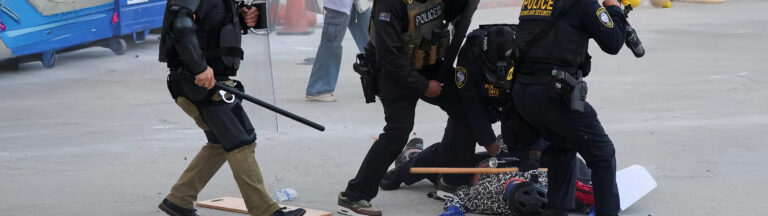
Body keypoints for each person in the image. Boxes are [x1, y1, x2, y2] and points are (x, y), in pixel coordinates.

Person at [157, 1, 305, 216]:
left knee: (220, 141)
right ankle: (266, 211)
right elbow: (181, 24)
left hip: (208, 80)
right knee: (241, 140)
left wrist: (244, 14)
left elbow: (211, 23)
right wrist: (199, 68)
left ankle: (179, 200)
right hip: (197, 82)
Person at [338, 0, 478, 215]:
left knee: (466, 108)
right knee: (397, 132)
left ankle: (451, 179)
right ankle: (354, 196)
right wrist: (423, 86)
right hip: (393, 73)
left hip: (428, 64)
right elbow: (388, 57)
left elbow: (453, 12)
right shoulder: (390, 4)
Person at [377, 25, 545, 200]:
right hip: (478, 100)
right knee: (457, 164)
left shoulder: (528, 53)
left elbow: (536, 107)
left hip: (514, 100)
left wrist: (534, 151)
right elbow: (472, 109)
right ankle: (406, 168)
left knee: (527, 159)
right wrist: (493, 148)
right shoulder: (470, 54)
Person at [511, 0, 629, 215]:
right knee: (602, 153)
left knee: (562, 146)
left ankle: (557, 210)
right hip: (553, 93)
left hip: (524, 91)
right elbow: (613, 43)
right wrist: (614, 8)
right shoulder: (582, 3)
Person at [305, 0, 371, 102]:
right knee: (331, 43)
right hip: (340, 6)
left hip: (356, 4)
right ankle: (318, 88)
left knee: (372, 39)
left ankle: (383, 80)